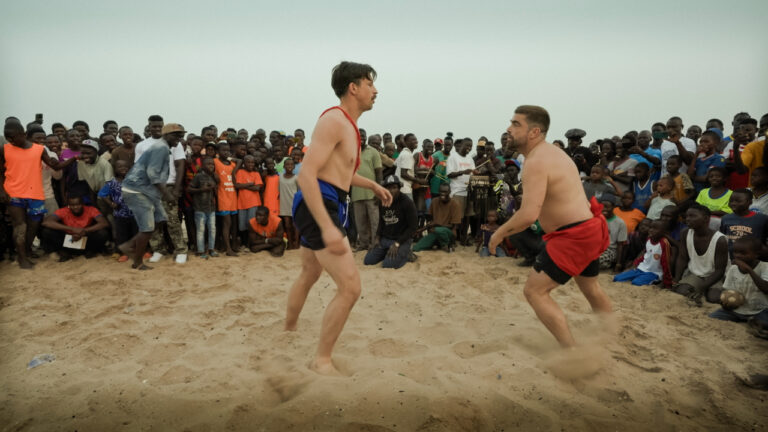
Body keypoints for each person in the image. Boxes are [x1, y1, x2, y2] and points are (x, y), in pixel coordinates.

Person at [285, 61, 391, 376]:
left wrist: (372, 184)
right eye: (369, 84)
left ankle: (287, 330)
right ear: (353, 88)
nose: (375, 90)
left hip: (330, 200)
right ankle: (321, 361)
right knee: (350, 287)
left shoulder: (349, 126)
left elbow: (340, 172)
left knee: (309, 273)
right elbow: (306, 175)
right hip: (319, 202)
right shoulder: (333, 120)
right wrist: (327, 226)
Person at [488, 105, 612, 348]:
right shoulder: (552, 153)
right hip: (589, 227)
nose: (509, 129)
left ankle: (571, 352)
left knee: (535, 292)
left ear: (534, 132)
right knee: (590, 287)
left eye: (516, 124)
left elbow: (528, 215)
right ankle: (611, 333)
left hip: (574, 235)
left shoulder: (537, 161)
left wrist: (498, 234)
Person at [0, 120, 78, 268]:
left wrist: (73, 158)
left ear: (23, 134)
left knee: (34, 225)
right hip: (13, 193)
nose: (10, 140)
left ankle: (26, 250)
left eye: (12, 137)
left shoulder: (39, 149)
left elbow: (55, 166)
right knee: (20, 226)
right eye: (7, 137)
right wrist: (2, 190)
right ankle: (22, 258)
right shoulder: (4, 149)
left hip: (35, 194)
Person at [119, 123, 186, 270]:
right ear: (166, 135)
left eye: (181, 136)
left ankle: (130, 246)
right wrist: (167, 194)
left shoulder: (164, 147)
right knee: (147, 228)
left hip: (146, 189)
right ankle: (137, 261)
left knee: (161, 219)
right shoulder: (161, 148)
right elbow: (153, 174)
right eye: (176, 135)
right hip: (137, 190)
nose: (179, 139)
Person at [673, 204, 728, 305]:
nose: (687, 219)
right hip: (695, 274)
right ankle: (702, 290)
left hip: (715, 276)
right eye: (687, 216)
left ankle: (706, 290)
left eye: (692, 216)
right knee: (682, 291)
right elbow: (682, 258)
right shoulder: (685, 233)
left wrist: (701, 287)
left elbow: (720, 270)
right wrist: (677, 279)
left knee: (714, 298)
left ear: (706, 218)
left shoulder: (720, 240)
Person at [708, 237, 768, 327]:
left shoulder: (765, 267)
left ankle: (754, 322)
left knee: (763, 323)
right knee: (712, 317)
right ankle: (750, 321)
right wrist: (726, 303)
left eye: (743, 253)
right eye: (735, 252)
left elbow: (766, 288)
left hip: (759, 310)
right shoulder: (733, 269)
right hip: (736, 311)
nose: (738, 256)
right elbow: (727, 290)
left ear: (756, 254)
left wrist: (749, 270)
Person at [364, 174, 417, 269]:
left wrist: (397, 243)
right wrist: (377, 238)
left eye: (394, 187)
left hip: (401, 240)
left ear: (399, 188)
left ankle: (407, 254)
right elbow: (382, 221)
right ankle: (388, 252)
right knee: (368, 261)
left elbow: (413, 227)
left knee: (387, 265)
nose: (391, 190)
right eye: (388, 188)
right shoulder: (383, 201)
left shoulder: (407, 203)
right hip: (385, 239)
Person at [40, 195, 110, 260]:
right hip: (69, 239)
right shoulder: (63, 211)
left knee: (103, 233)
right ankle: (63, 251)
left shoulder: (91, 210)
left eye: (78, 204)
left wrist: (84, 231)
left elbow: (104, 223)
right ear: (68, 205)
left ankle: (91, 251)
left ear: (83, 204)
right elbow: (46, 222)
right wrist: (72, 229)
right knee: (47, 231)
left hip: (85, 238)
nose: (75, 207)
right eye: (72, 205)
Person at [613, 219, 673, 288]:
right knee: (617, 278)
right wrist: (635, 264)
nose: (651, 230)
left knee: (636, 282)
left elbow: (666, 263)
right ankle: (639, 276)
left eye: (655, 229)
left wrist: (667, 281)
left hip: (654, 272)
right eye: (651, 227)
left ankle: (655, 280)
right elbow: (646, 255)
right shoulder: (649, 239)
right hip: (641, 268)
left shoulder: (664, 243)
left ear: (664, 232)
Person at [97, 159, 136, 262]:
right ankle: (124, 253)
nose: (123, 169)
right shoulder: (112, 182)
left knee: (136, 232)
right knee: (122, 235)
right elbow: (102, 194)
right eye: (120, 167)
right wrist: (111, 203)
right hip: (120, 214)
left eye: (126, 167)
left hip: (135, 213)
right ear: (115, 169)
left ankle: (140, 251)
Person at [351, 130, 383, 251]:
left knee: (375, 221)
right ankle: (364, 244)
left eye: (363, 136)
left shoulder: (373, 152)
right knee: (360, 222)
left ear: (366, 137)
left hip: (371, 193)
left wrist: (378, 191)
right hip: (356, 193)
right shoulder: (351, 151)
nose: (361, 138)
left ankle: (375, 244)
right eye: (358, 136)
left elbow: (379, 173)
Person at [719, 189, 768, 259]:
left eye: (738, 201)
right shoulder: (725, 218)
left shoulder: (762, 219)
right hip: (730, 258)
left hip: (754, 259)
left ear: (750, 202)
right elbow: (723, 237)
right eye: (731, 201)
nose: (733, 203)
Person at [412, 183, 462, 252]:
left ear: (449, 192)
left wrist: (437, 224)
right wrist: (420, 230)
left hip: (449, 233)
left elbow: (454, 226)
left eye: (445, 192)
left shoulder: (455, 204)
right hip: (435, 232)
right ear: (438, 192)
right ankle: (440, 244)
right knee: (417, 247)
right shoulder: (434, 201)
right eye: (441, 191)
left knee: (439, 230)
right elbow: (430, 222)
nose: (443, 194)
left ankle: (446, 244)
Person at [446, 139, 476, 244]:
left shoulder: (470, 159)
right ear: (462, 145)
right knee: (456, 218)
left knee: (467, 216)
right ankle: (453, 238)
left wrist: (476, 172)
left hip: (469, 191)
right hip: (457, 191)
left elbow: (473, 173)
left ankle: (463, 237)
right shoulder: (453, 157)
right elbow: (449, 174)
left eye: (471, 146)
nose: (469, 148)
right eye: (467, 145)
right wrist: (463, 172)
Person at [188, 157, 218, 259]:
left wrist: (213, 187)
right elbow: (189, 189)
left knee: (212, 229)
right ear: (203, 166)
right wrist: (201, 189)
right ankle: (200, 251)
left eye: (212, 164)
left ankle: (211, 249)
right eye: (208, 164)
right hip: (200, 208)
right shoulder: (198, 176)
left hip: (211, 208)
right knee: (201, 230)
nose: (211, 166)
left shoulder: (213, 177)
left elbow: (215, 192)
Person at [214, 142, 240, 256]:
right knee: (226, 224)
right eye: (223, 150)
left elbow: (240, 161)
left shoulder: (232, 164)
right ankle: (228, 249)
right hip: (223, 196)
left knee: (233, 224)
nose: (226, 152)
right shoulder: (215, 162)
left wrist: (233, 170)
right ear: (218, 152)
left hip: (232, 196)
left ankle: (231, 245)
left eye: (228, 150)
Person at [235, 155, 264, 248]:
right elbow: (237, 186)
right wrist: (250, 184)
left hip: (253, 202)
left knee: (251, 224)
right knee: (242, 225)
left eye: (252, 162)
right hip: (242, 203)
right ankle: (243, 243)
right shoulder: (240, 172)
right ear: (244, 163)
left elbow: (257, 188)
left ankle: (249, 243)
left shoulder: (256, 173)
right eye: (248, 162)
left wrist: (244, 185)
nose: (251, 164)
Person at [599, 198, 627, 272]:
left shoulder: (620, 223)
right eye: (602, 206)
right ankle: (607, 264)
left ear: (613, 207)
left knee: (595, 260)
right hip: (597, 247)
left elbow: (620, 244)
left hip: (611, 249)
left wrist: (618, 263)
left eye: (607, 207)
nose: (604, 209)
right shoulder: (596, 219)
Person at [279, 158, 300, 249]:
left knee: (295, 225)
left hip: (294, 203)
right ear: (284, 166)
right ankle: (290, 243)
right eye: (287, 164)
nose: (289, 166)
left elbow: (299, 192)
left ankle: (296, 243)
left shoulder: (296, 178)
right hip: (284, 204)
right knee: (287, 225)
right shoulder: (280, 177)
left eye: (291, 164)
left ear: (294, 166)